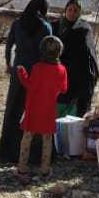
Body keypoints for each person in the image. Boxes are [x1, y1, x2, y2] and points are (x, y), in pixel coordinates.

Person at [0, 0, 52, 164]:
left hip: (18, 70)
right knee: (32, 112)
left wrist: (8, 64)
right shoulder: (45, 27)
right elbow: (49, 53)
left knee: (13, 108)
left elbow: (8, 45)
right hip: (37, 73)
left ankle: (6, 151)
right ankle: (30, 154)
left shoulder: (17, 23)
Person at [16, 36, 67, 183]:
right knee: (47, 140)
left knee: (27, 138)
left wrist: (22, 73)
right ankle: (45, 169)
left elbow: (30, 85)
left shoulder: (37, 67)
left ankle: (22, 167)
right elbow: (64, 89)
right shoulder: (62, 69)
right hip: (49, 110)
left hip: (34, 109)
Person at [55, 0, 99, 117]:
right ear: (65, 11)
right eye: (69, 9)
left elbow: (89, 52)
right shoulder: (57, 26)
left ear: (79, 13)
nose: (72, 13)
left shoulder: (84, 29)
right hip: (60, 73)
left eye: (75, 10)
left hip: (79, 75)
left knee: (76, 115)